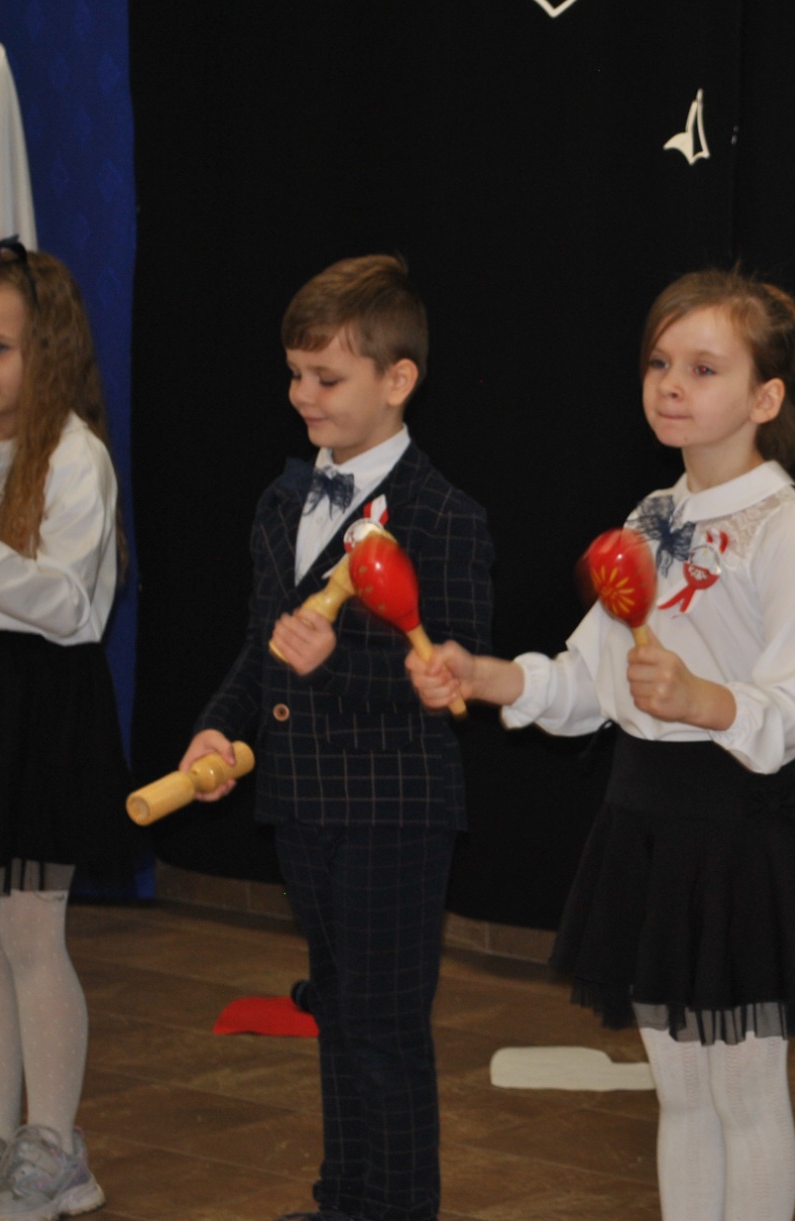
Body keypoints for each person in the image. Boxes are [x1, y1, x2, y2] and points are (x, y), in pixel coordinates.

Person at [406, 269, 795, 1221]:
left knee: (745, 1095)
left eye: (703, 368)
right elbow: (589, 683)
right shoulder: (648, 520)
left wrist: (705, 699)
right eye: (660, 362)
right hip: (646, 821)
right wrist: (488, 675)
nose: (671, 384)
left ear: (764, 398)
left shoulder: (787, 529)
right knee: (681, 1094)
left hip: (737, 828)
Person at [179, 254, 494, 1221]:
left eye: (326, 377)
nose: (302, 395)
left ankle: (396, 1208)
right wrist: (215, 727)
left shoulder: (443, 514)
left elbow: (454, 676)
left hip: (395, 810)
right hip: (302, 802)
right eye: (295, 374)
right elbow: (264, 645)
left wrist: (339, 666)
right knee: (337, 1013)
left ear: (398, 380)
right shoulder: (284, 500)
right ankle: (345, 1199)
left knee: (385, 1031)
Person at [0, 239, 127, 1221]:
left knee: (32, 930)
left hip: (42, 703)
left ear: (51, 351)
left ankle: (55, 1144)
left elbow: (71, 608)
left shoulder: (76, 456)